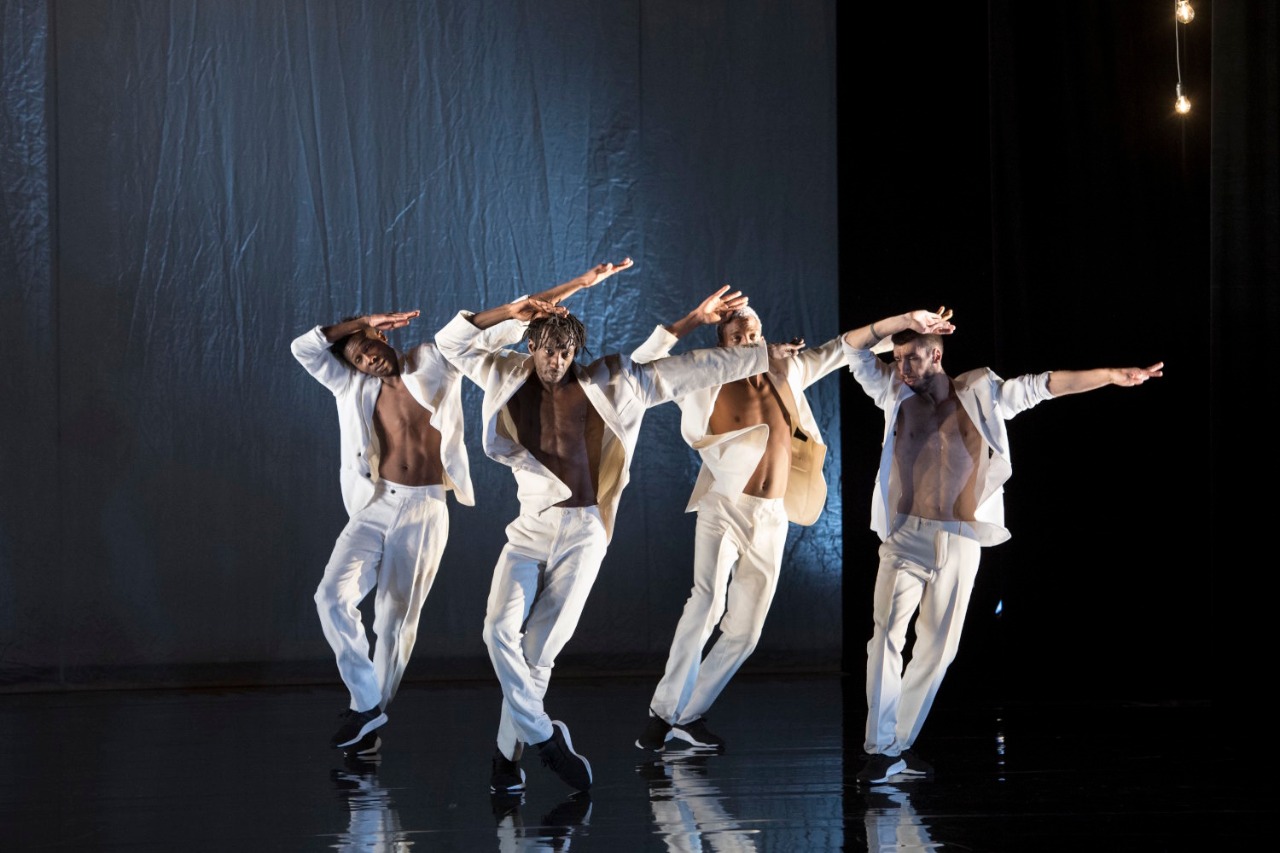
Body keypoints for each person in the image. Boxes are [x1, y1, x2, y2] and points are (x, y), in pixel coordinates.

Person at [435, 258, 787, 795]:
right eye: (546, 349)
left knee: (538, 653)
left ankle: (506, 761)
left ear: (575, 350)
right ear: (529, 344)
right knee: (495, 631)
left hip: (584, 533)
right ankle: (547, 740)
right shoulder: (503, 372)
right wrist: (511, 309)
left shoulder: (613, 382)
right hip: (530, 527)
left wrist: (763, 354)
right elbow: (451, 343)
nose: (554, 360)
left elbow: (689, 370)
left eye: (564, 351)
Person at [845, 306, 1163, 784]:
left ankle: (896, 746)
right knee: (885, 635)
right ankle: (878, 750)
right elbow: (852, 348)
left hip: (960, 537)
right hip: (905, 536)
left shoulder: (981, 392)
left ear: (936, 355)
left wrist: (1111, 376)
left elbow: (1047, 384)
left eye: (911, 358)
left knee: (937, 649)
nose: (902, 368)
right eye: (898, 358)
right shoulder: (891, 392)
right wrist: (904, 320)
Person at [291, 309, 523, 757]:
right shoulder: (351, 385)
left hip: (426, 506)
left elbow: (477, 332)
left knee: (395, 620)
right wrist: (357, 325)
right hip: (375, 503)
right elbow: (303, 348)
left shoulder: (430, 360)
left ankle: (370, 718)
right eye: (358, 359)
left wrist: (524, 316)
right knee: (330, 597)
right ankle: (366, 705)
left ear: (382, 337)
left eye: (369, 348)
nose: (368, 362)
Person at [629, 304, 844, 753]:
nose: (747, 341)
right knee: (706, 602)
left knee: (746, 631)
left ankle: (688, 715)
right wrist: (688, 323)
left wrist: (901, 325)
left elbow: (841, 349)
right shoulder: (703, 375)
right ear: (720, 340)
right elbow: (641, 367)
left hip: (771, 516)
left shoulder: (785, 371)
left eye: (753, 334)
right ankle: (662, 713)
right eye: (737, 335)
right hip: (723, 507)